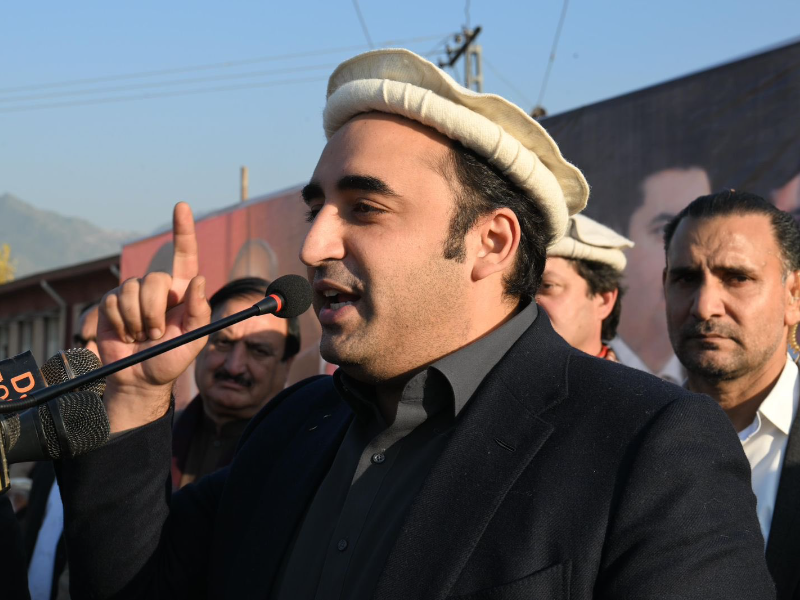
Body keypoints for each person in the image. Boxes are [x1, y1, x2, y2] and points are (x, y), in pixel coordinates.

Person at [56, 49, 773, 599]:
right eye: (318, 208)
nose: (314, 246)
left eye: (364, 208)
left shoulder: (649, 445)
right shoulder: (293, 427)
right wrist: (137, 398)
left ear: (490, 243)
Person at [663, 190, 800, 600]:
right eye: (686, 278)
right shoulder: (618, 439)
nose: (705, 306)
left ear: (794, 296)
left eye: (737, 278)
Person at [171, 277, 300, 489]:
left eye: (258, 351)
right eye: (223, 342)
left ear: (286, 364)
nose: (234, 366)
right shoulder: (155, 436)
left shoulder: (299, 453)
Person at [22, 302, 101, 600]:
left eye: (100, 340)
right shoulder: (51, 441)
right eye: (80, 341)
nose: (84, 353)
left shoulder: (131, 453)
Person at [536, 213, 632, 360]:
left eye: (547, 286)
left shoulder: (632, 383)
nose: (527, 302)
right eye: (517, 288)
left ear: (603, 300)